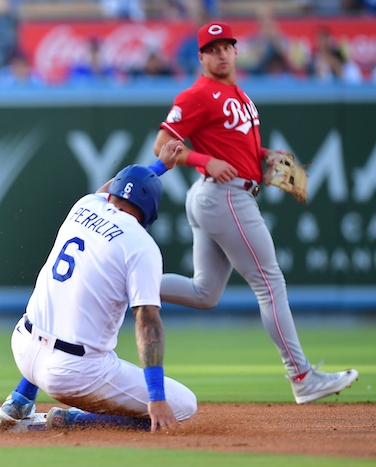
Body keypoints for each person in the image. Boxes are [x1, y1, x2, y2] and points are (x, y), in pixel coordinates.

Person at [151, 21, 358, 404]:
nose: (221, 53)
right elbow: (162, 144)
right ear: (200, 57)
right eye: (212, 49)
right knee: (270, 283)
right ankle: (302, 377)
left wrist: (265, 157)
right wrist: (203, 160)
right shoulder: (198, 94)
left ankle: (122, 282)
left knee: (205, 293)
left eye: (226, 46)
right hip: (223, 195)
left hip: (219, 194)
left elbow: (237, 151)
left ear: (235, 50)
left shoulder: (241, 96)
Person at [0, 140, 198, 433]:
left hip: (22, 346)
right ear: (150, 210)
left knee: (63, 307)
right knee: (184, 404)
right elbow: (147, 321)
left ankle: (21, 398)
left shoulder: (85, 205)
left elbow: (109, 189)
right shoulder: (141, 246)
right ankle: (76, 421)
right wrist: (155, 398)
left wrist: (158, 167)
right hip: (72, 373)